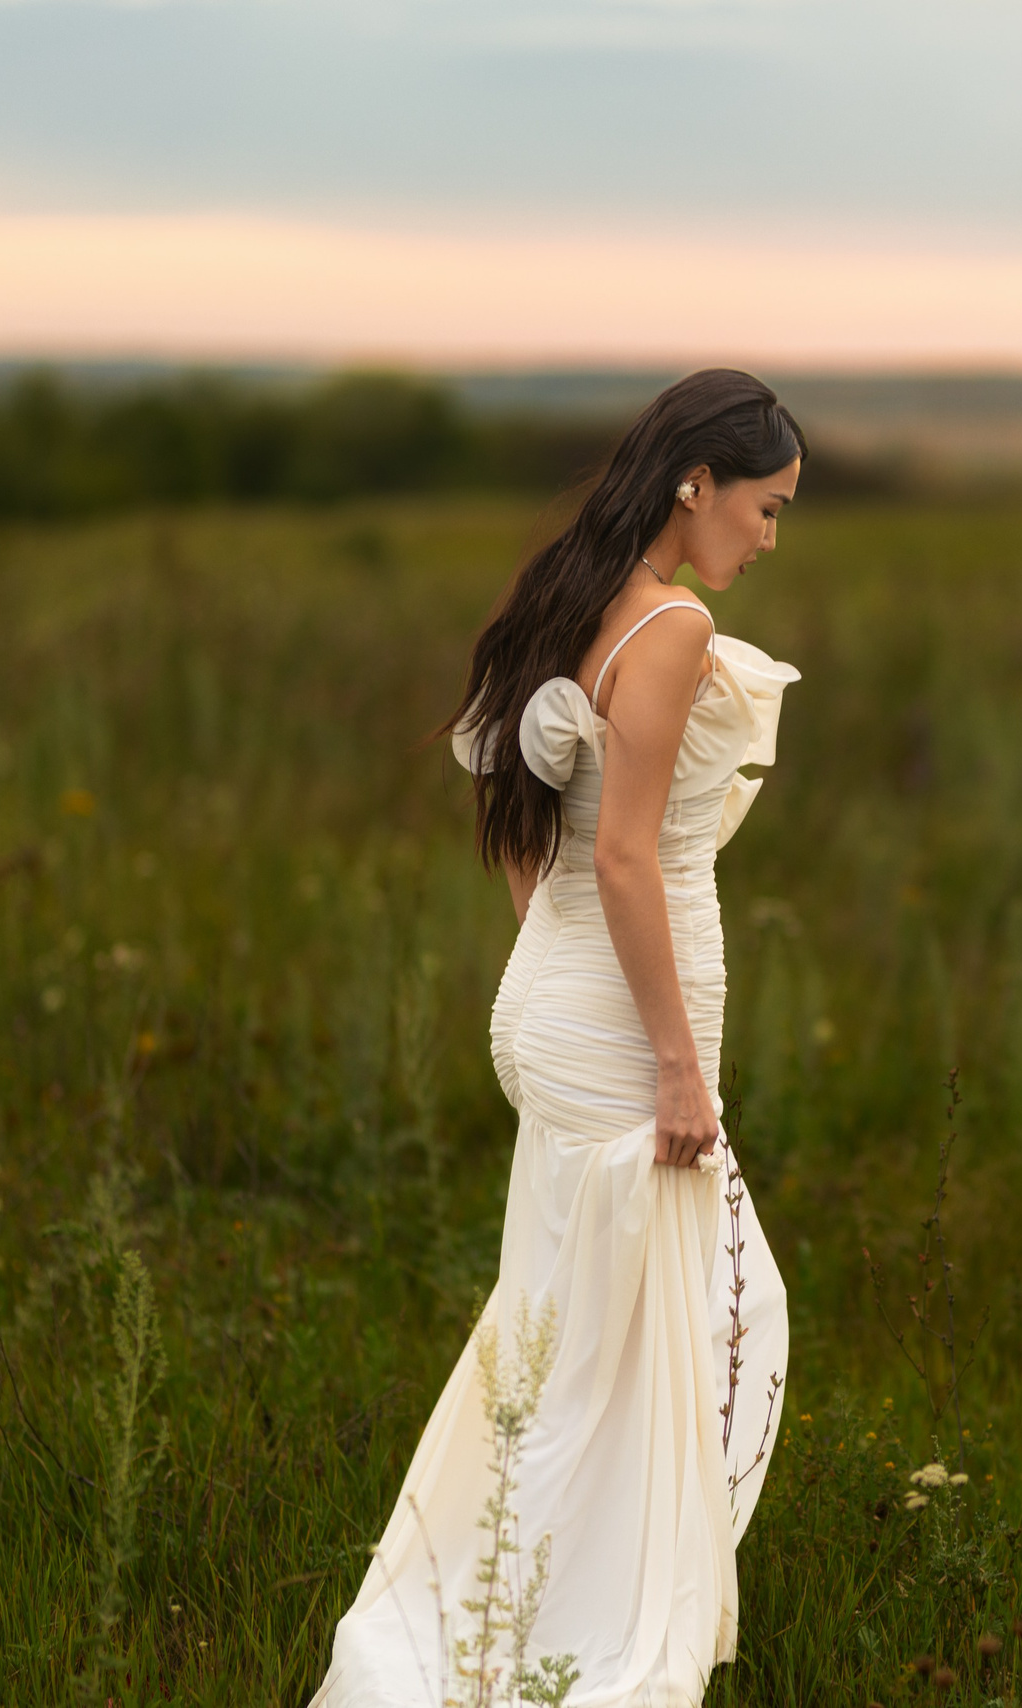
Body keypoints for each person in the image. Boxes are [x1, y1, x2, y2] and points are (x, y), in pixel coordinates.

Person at [312, 370, 802, 1708]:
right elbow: (632, 860)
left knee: (566, 1336)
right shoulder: (671, 627)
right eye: (767, 507)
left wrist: (554, 955)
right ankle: (563, 1645)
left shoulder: (568, 595)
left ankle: (494, 1612)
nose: (769, 537)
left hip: (553, 1009)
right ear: (698, 484)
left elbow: (539, 826)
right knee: (693, 1332)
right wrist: (678, 1068)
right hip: (616, 1039)